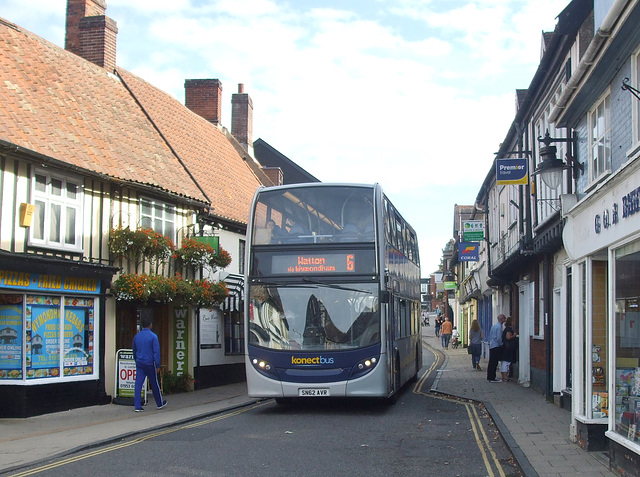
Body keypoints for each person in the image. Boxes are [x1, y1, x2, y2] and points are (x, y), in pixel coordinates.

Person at [132, 318, 167, 412]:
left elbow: (134, 351)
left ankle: (137, 406)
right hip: (149, 363)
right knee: (154, 383)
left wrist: (137, 360)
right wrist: (158, 365)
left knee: (138, 384)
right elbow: (156, 352)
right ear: (150, 325)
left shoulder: (137, 336)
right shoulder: (153, 336)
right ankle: (159, 403)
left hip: (140, 362)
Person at [487, 313, 506, 382]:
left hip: (492, 346)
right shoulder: (499, 327)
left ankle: (490, 376)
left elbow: (490, 335)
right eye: (504, 319)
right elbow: (498, 338)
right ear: (502, 319)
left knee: (491, 362)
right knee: (494, 363)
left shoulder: (494, 326)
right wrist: (501, 344)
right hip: (496, 346)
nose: (505, 320)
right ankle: (492, 377)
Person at [500, 317, 517, 382]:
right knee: (506, 363)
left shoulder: (506, 329)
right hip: (507, 348)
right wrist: (514, 335)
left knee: (504, 363)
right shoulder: (508, 329)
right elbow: (508, 337)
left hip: (505, 348)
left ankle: (504, 377)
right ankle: (505, 377)